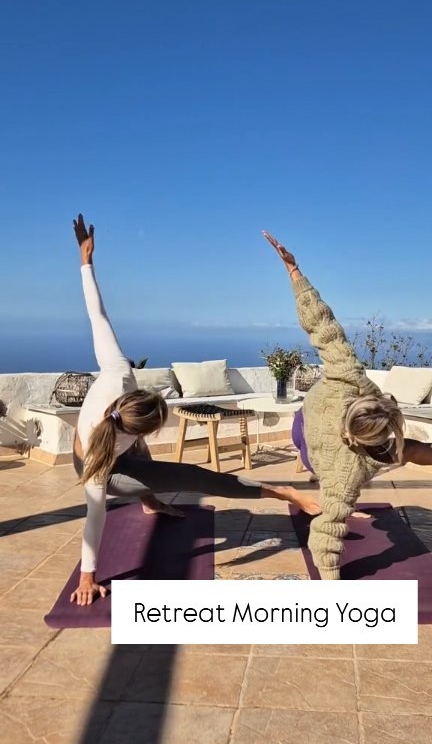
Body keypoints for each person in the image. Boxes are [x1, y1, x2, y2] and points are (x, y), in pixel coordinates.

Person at [71, 215, 321, 606]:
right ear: (138, 432)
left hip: (117, 440)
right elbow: (93, 522)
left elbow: (97, 316)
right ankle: (282, 492)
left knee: (175, 473)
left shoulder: (119, 370)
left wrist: (86, 263)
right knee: (187, 477)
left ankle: (152, 500)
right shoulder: (98, 469)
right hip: (96, 461)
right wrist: (89, 577)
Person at [262, 230, 432, 580]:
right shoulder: (347, 472)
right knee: (399, 456)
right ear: (365, 445)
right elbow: (325, 533)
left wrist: (294, 273)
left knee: (408, 449)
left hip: (312, 415)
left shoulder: (348, 373)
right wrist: (331, 584)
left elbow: (323, 326)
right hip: (308, 441)